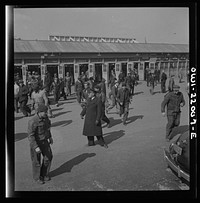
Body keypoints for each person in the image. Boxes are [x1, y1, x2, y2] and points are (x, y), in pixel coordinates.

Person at [27, 104, 53, 184]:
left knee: (48, 157)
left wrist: (50, 137)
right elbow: (31, 135)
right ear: (40, 112)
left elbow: (47, 128)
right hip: (36, 143)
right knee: (36, 161)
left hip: (44, 141)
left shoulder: (45, 118)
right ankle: (37, 177)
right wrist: (35, 146)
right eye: (45, 112)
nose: (46, 113)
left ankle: (44, 174)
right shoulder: (33, 121)